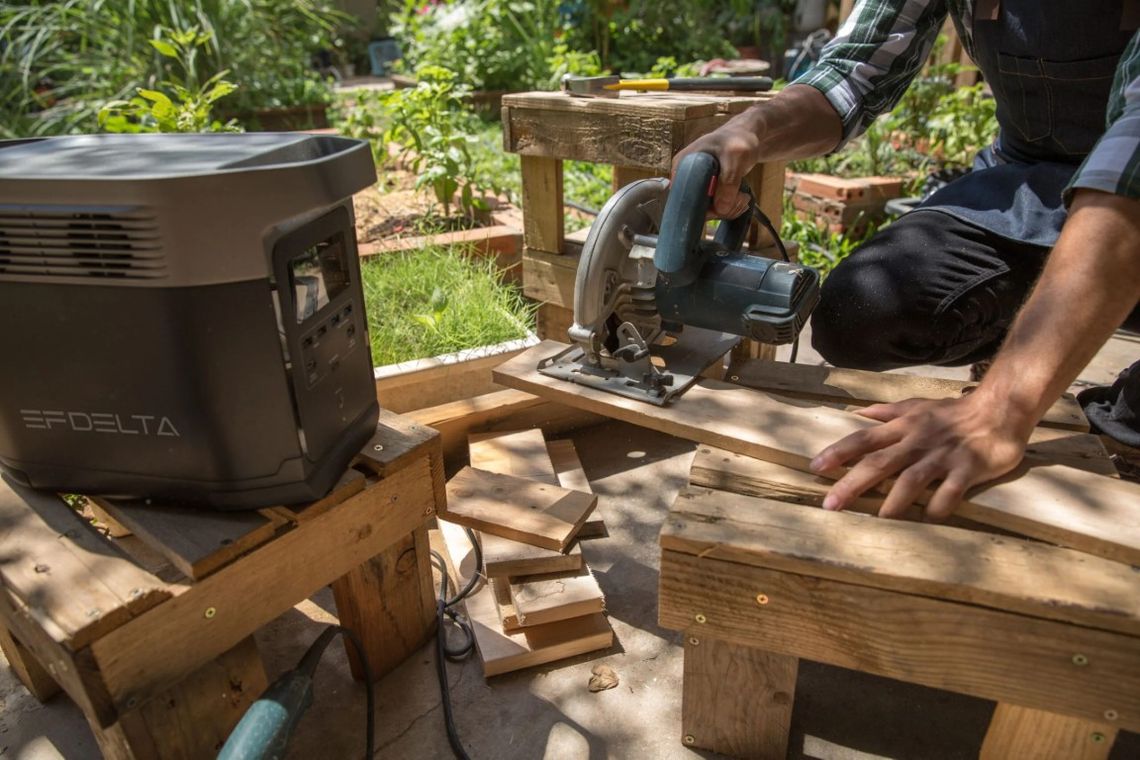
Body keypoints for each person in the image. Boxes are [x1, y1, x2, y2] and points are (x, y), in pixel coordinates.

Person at [676, 0, 1140, 520]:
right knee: (860, 310)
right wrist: (753, 130)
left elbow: (1131, 172)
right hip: (1030, 179)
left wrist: (1002, 407)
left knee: (1130, 423)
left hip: (1130, 194)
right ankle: (1030, 341)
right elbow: (853, 71)